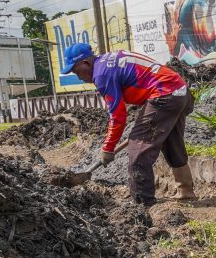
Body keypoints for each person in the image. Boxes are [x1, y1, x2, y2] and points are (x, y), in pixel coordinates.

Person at [63, 43, 196, 207]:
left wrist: (108, 147)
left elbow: (117, 115)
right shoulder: (108, 60)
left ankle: (142, 203)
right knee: (171, 142)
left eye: (76, 71)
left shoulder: (102, 74)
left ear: (86, 63)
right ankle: (186, 190)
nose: (78, 77)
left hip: (164, 95)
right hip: (180, 91)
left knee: (138, 149)